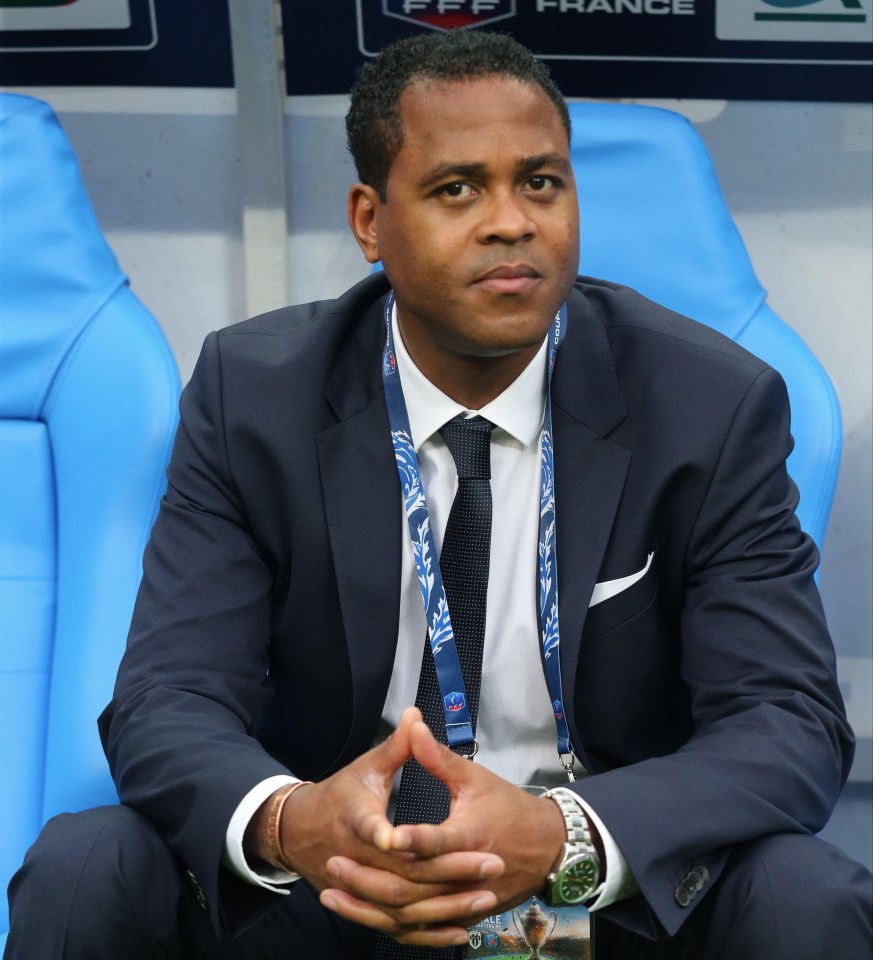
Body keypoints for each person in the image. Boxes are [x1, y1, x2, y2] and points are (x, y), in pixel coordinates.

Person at [5, 29, 871, 960]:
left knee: (804, 894)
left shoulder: (708, 406)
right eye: (457, 188)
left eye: (540, 182)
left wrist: (561, 833)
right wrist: (296, 821)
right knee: (87, 864)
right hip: (349, 891)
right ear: (369, 221)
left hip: (571, 904)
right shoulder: (255, 398)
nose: (511, 221)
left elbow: (788, 722)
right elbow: (165, 700)